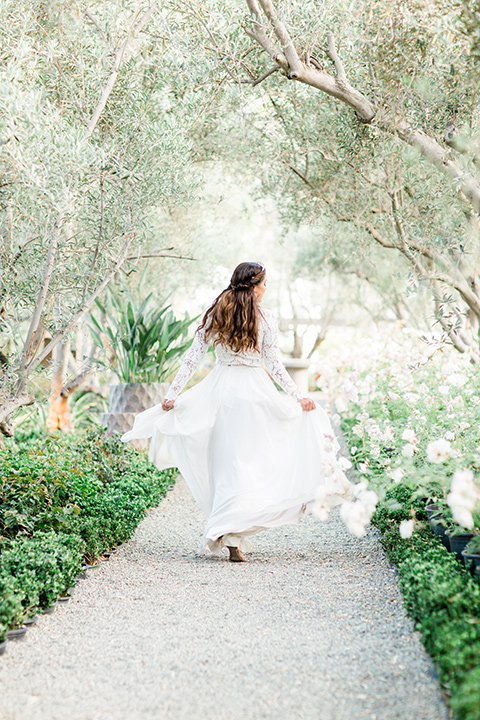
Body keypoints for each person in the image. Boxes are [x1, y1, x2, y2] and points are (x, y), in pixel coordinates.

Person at [122, 261, 352, 562]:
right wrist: (298, 396)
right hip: (254, 394)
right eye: (265, 283)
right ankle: (231, 531)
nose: (266, 289)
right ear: (254, 285)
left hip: (221, 393)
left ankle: (229, 532)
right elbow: (274, 365)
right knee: (252, 461)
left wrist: (172, 394)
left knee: (227, 463)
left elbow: (193, 358)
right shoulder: (265, 318)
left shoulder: (217, 311)